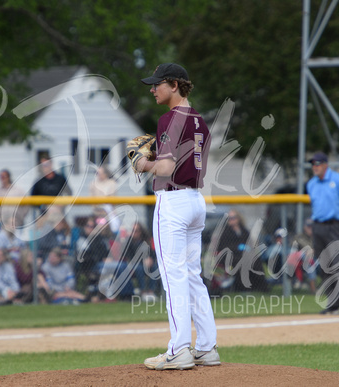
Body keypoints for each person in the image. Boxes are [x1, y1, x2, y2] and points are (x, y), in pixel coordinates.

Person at [135, 63, 219, 370]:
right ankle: (207, 347)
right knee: (192, 276)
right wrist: (158, 157)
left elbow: (167, 169)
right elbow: (194, 166)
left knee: (174, 278)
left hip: (172, 202)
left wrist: (143, 163)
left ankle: (179, 349)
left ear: (173, 84)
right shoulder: (200, 120)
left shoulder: (169, 119)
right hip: (196, 200)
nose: (152, 89)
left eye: (157, 84)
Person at [306, 151, 339, 315]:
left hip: (335, 226)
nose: (315, 167)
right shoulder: (311, 184)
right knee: (325, 267)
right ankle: (333, 304)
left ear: (326, 164)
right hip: (318, 227)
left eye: (318, 164)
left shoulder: (338, 180)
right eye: (313, 164)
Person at [286, 218, 317, 293]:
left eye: (312, 227)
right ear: (305, 227)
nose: (310, 229)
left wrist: (313, 250)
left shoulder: (316, 237)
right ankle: (313, 289)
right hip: (301, 262)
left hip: (316, 259)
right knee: (307, 259)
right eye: (308, 227)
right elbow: (303, 248)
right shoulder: (299, 236)